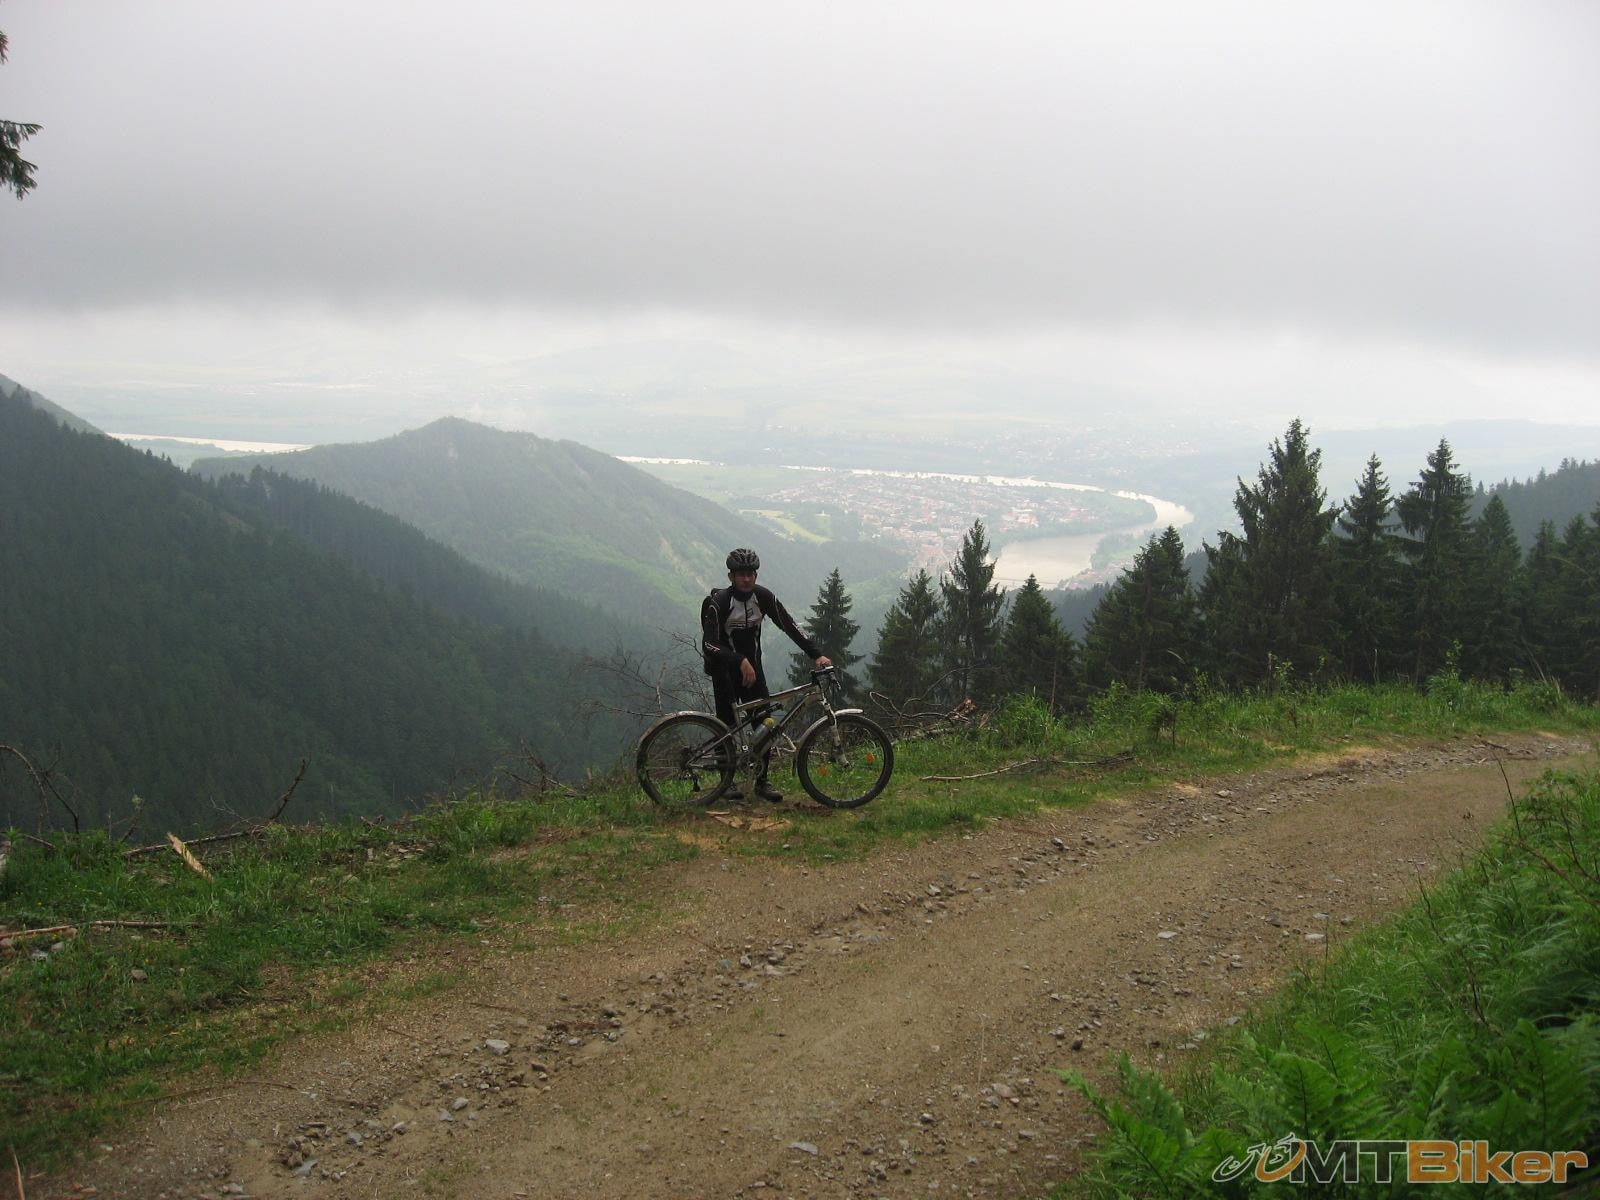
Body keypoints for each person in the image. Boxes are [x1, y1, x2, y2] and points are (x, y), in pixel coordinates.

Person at [702, 548, 832, 802]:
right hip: (725, 672)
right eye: (741, 574)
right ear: (731, 576)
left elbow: (789, 625)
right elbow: (709, 644)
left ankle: (762, 782)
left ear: (756, 575)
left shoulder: (762, 597)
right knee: (726, 726)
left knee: (765, 724)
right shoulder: (720, 603)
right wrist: (739, 660)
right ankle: (725, 783)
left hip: (753, 672)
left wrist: (816, 654)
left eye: (750, 574)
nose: (746, 579)